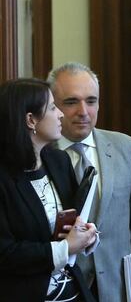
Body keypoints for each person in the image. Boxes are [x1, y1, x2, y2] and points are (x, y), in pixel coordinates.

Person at [47, 62, 131, 302]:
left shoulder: (128, 149)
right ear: (53, 106)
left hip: (116, 290)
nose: (83, 111)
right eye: (71, 102)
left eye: (91, 101)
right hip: (58, 290)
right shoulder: (38, 155)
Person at [0, 78, 98, 301]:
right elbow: (5, 253)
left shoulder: (58, 160)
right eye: (53, 108)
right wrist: (65, 248)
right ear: (30, 120)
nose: (61, 114)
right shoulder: (4, 178)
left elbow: (72, 219)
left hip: (73, 291)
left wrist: (87, 234)